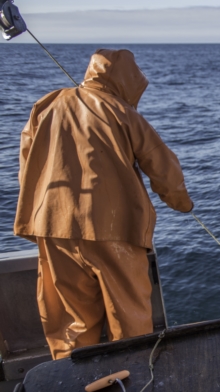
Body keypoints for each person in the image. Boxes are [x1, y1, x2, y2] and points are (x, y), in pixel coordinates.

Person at [14, 49, 193, 360]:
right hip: (115, 229)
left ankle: (72, 387)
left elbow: (26, 163)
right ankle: (130, 380)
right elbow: (164, 168)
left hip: (53, 227)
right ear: (126, 81)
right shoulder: (124, 113)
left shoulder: (46, 105)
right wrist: (182, 204)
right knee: (128, 319)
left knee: (71, 321)